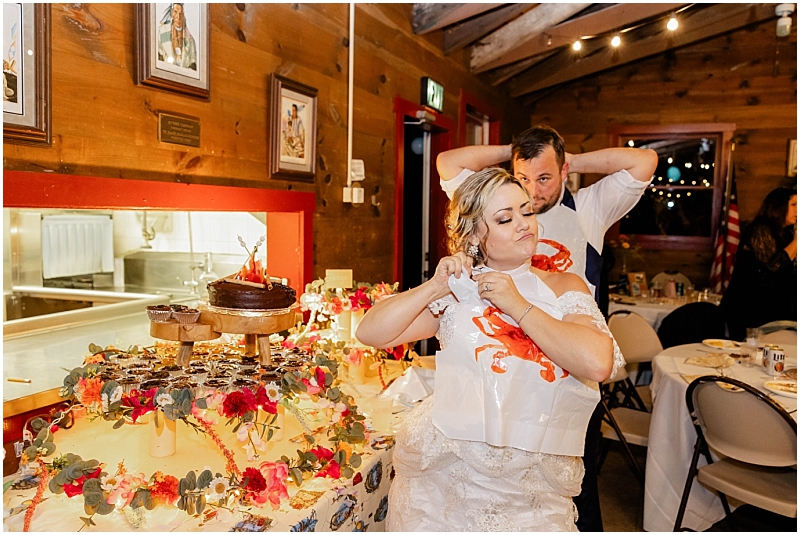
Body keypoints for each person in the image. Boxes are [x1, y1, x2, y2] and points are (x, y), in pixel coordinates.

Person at [357, 168, 623, 531]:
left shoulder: (564, 285)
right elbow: (371, 332)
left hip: (530, 484)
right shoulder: (460, 291)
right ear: (475, 236)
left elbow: (597, 363)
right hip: (446, 476)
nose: (523, 224)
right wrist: (434, 287)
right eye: (504, 218)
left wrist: (518, 305)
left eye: (526, 212)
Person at [436, 126, 657, 531]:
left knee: (577, 473)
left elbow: (644, 161)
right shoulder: (498, 203)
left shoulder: (590, 205)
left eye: (544, 179)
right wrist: (514, 153)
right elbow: (448, 163)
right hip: (506, 356)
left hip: (568, 356)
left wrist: (565, 159)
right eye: (523, 178)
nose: (533, 194)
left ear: (564, 172)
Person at [721, 187, 797, 340]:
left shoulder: (788, 234)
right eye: (794, 205)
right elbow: (774, 265)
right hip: (749, 307)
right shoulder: (759, 229)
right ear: (778, 205)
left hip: (776, 307)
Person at [157, 3, 198, 71]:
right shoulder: (162, 31)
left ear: (183, 15)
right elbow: (159, 56)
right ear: (172, 13)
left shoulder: (190, 40)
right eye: (175, 12)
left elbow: (193, 64)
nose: (178, 17)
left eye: (180, 14)